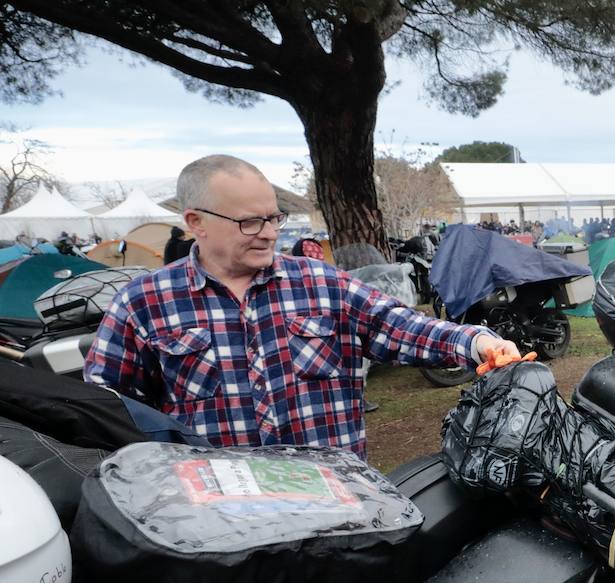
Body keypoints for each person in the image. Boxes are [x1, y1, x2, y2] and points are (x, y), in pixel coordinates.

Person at [85, 154, 519, 459]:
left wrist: (477, 341)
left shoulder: (321, 282)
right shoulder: (143, 303)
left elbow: (400, 325)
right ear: (195, 222)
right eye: (250, 222)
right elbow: (104, 409)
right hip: (223, 521)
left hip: (336, 505)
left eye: (274, 218)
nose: (269, 233)